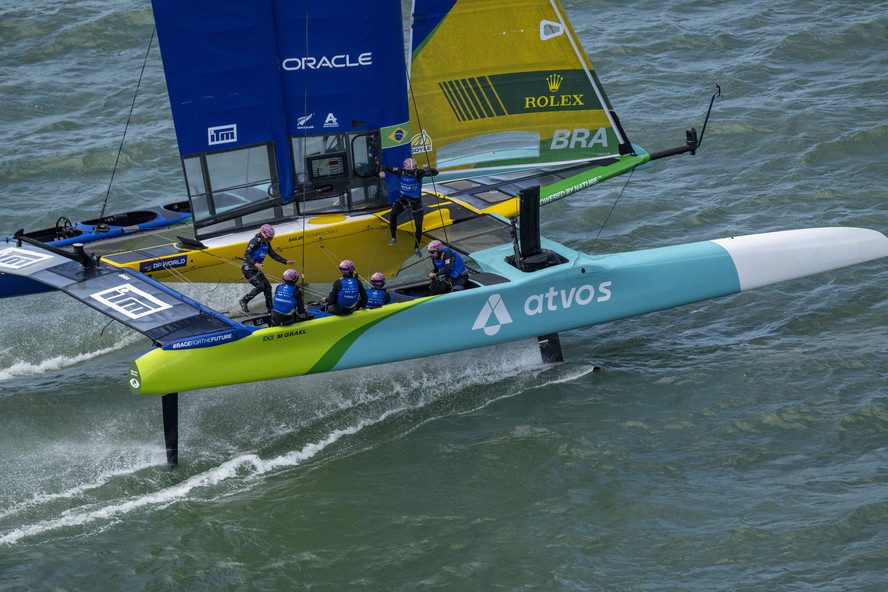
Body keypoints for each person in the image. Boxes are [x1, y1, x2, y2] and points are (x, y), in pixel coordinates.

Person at [379, 157, 438, 257]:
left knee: (418, 225)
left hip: (416, 202)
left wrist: (427, 169)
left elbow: (435, 172)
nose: (410, 174)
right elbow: (385, 167)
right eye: (408, 172)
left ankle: (416, 247)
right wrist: (381, 171)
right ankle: (393, 237)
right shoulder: (400, 172)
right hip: (403, 200)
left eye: (412, 171)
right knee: (393, 214)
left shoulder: (419, 173)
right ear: (404, 169)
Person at [239, 223, 295, 314]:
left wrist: (285, 261)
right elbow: (246, 254)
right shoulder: (254, 242)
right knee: (260, 286)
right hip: (248, 269)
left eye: (271, 239)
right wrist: (255, 263)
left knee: (268, 287)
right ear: (262, 234)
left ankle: (270, 309)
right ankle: (244, 300)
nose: (269, 240)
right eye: (268, 238)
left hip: (256, 269)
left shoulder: (266, 244)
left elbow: (273, 254)